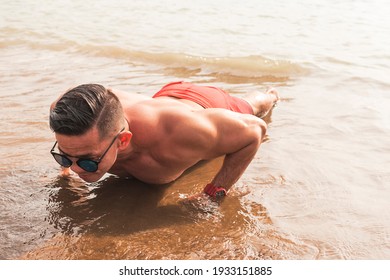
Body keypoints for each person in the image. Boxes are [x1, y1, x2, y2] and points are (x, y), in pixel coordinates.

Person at [49, 81, 279, 199]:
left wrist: (213, 193)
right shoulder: (67, 116)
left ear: (122, 141)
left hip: (207, 103)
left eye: (88, 161)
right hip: (163, 97)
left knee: (253, 107)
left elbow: (254, 131)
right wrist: (64, 172)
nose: (77, 168)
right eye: (65, 157)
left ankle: (271, 95)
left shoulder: (184, 132)